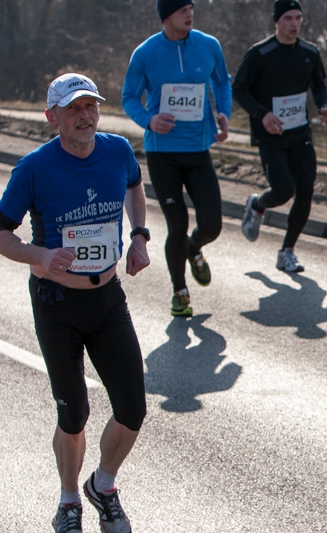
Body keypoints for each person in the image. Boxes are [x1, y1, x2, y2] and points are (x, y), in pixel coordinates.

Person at [0, 73, 149, 533]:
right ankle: (69, 501)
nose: (85, 116)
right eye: (73, 109)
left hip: (107, 298)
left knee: (133, 408)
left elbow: (134, 186)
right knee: (74, 413)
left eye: (91, 106)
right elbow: (1, 232)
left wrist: (139, 236)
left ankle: (103, 486)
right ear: (53, 117)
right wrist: (39, 255)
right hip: (57, 303)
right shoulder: (34, 168)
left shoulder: (118, 150)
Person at [122, 0, 231, 317]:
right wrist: (149, 120)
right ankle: (180, 293)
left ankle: (194, 249)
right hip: (162, 154)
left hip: (198, 150)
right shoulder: (146, 53)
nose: (190, 14)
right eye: (183, 10)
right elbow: (129, 96)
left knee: (211, 225)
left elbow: (221, 81)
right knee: (177, 225)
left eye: (191, 8)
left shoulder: (208, 45)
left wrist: (223, 112)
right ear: (166, 17)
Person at [233, 0, 327, 273]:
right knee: (283, 191)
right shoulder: (260, 54)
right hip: (271, 136)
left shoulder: (309, 52)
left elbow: (319, 85)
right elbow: (238, 89)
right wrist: (263, 114)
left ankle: (287, 251)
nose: (294, 23)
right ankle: (257, 204)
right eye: (288, 18)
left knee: (305, 190)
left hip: (300, 133)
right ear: (277, 21)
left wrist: (325, 106)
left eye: (298, 17)